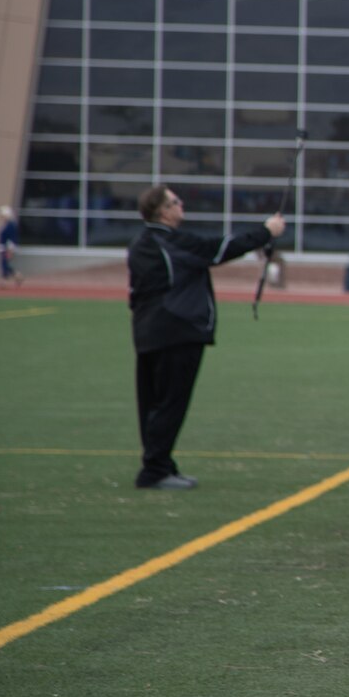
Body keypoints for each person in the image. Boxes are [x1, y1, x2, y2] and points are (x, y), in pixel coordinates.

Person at [126, 187, 284, 490]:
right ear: (161, 211)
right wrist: (266, 231)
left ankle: (160, 464)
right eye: (174, 202)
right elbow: (219, 249)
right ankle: (155, 470)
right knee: (170, 404)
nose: (181, 204)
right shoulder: (168, 241)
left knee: (153, 404)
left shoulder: (140, 243)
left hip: (148, 332)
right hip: (177, 332)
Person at [0, 206, 21, 285]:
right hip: (3, 247)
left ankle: (6, 279)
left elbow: (12, 238)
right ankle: (16, 275)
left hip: (7, 248)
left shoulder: (10, 225)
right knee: (4, 264)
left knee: (4, 264)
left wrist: (10, 249)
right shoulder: (5, 225)